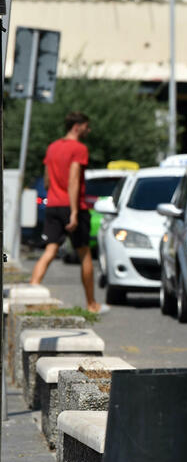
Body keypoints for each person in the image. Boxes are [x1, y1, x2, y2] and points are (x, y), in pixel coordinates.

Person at [29, 111, 103, 313]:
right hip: (73, 206)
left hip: (53, 204)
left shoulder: (52, 147)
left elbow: (46, 177)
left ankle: (33, 289)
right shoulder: (79, 149)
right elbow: (74, 179)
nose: (89, 130)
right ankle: (91, 304)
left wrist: (53, 194)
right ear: (77, 127)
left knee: (50, 250)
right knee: (85, 253)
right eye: (87, 127)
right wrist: (73, 212)